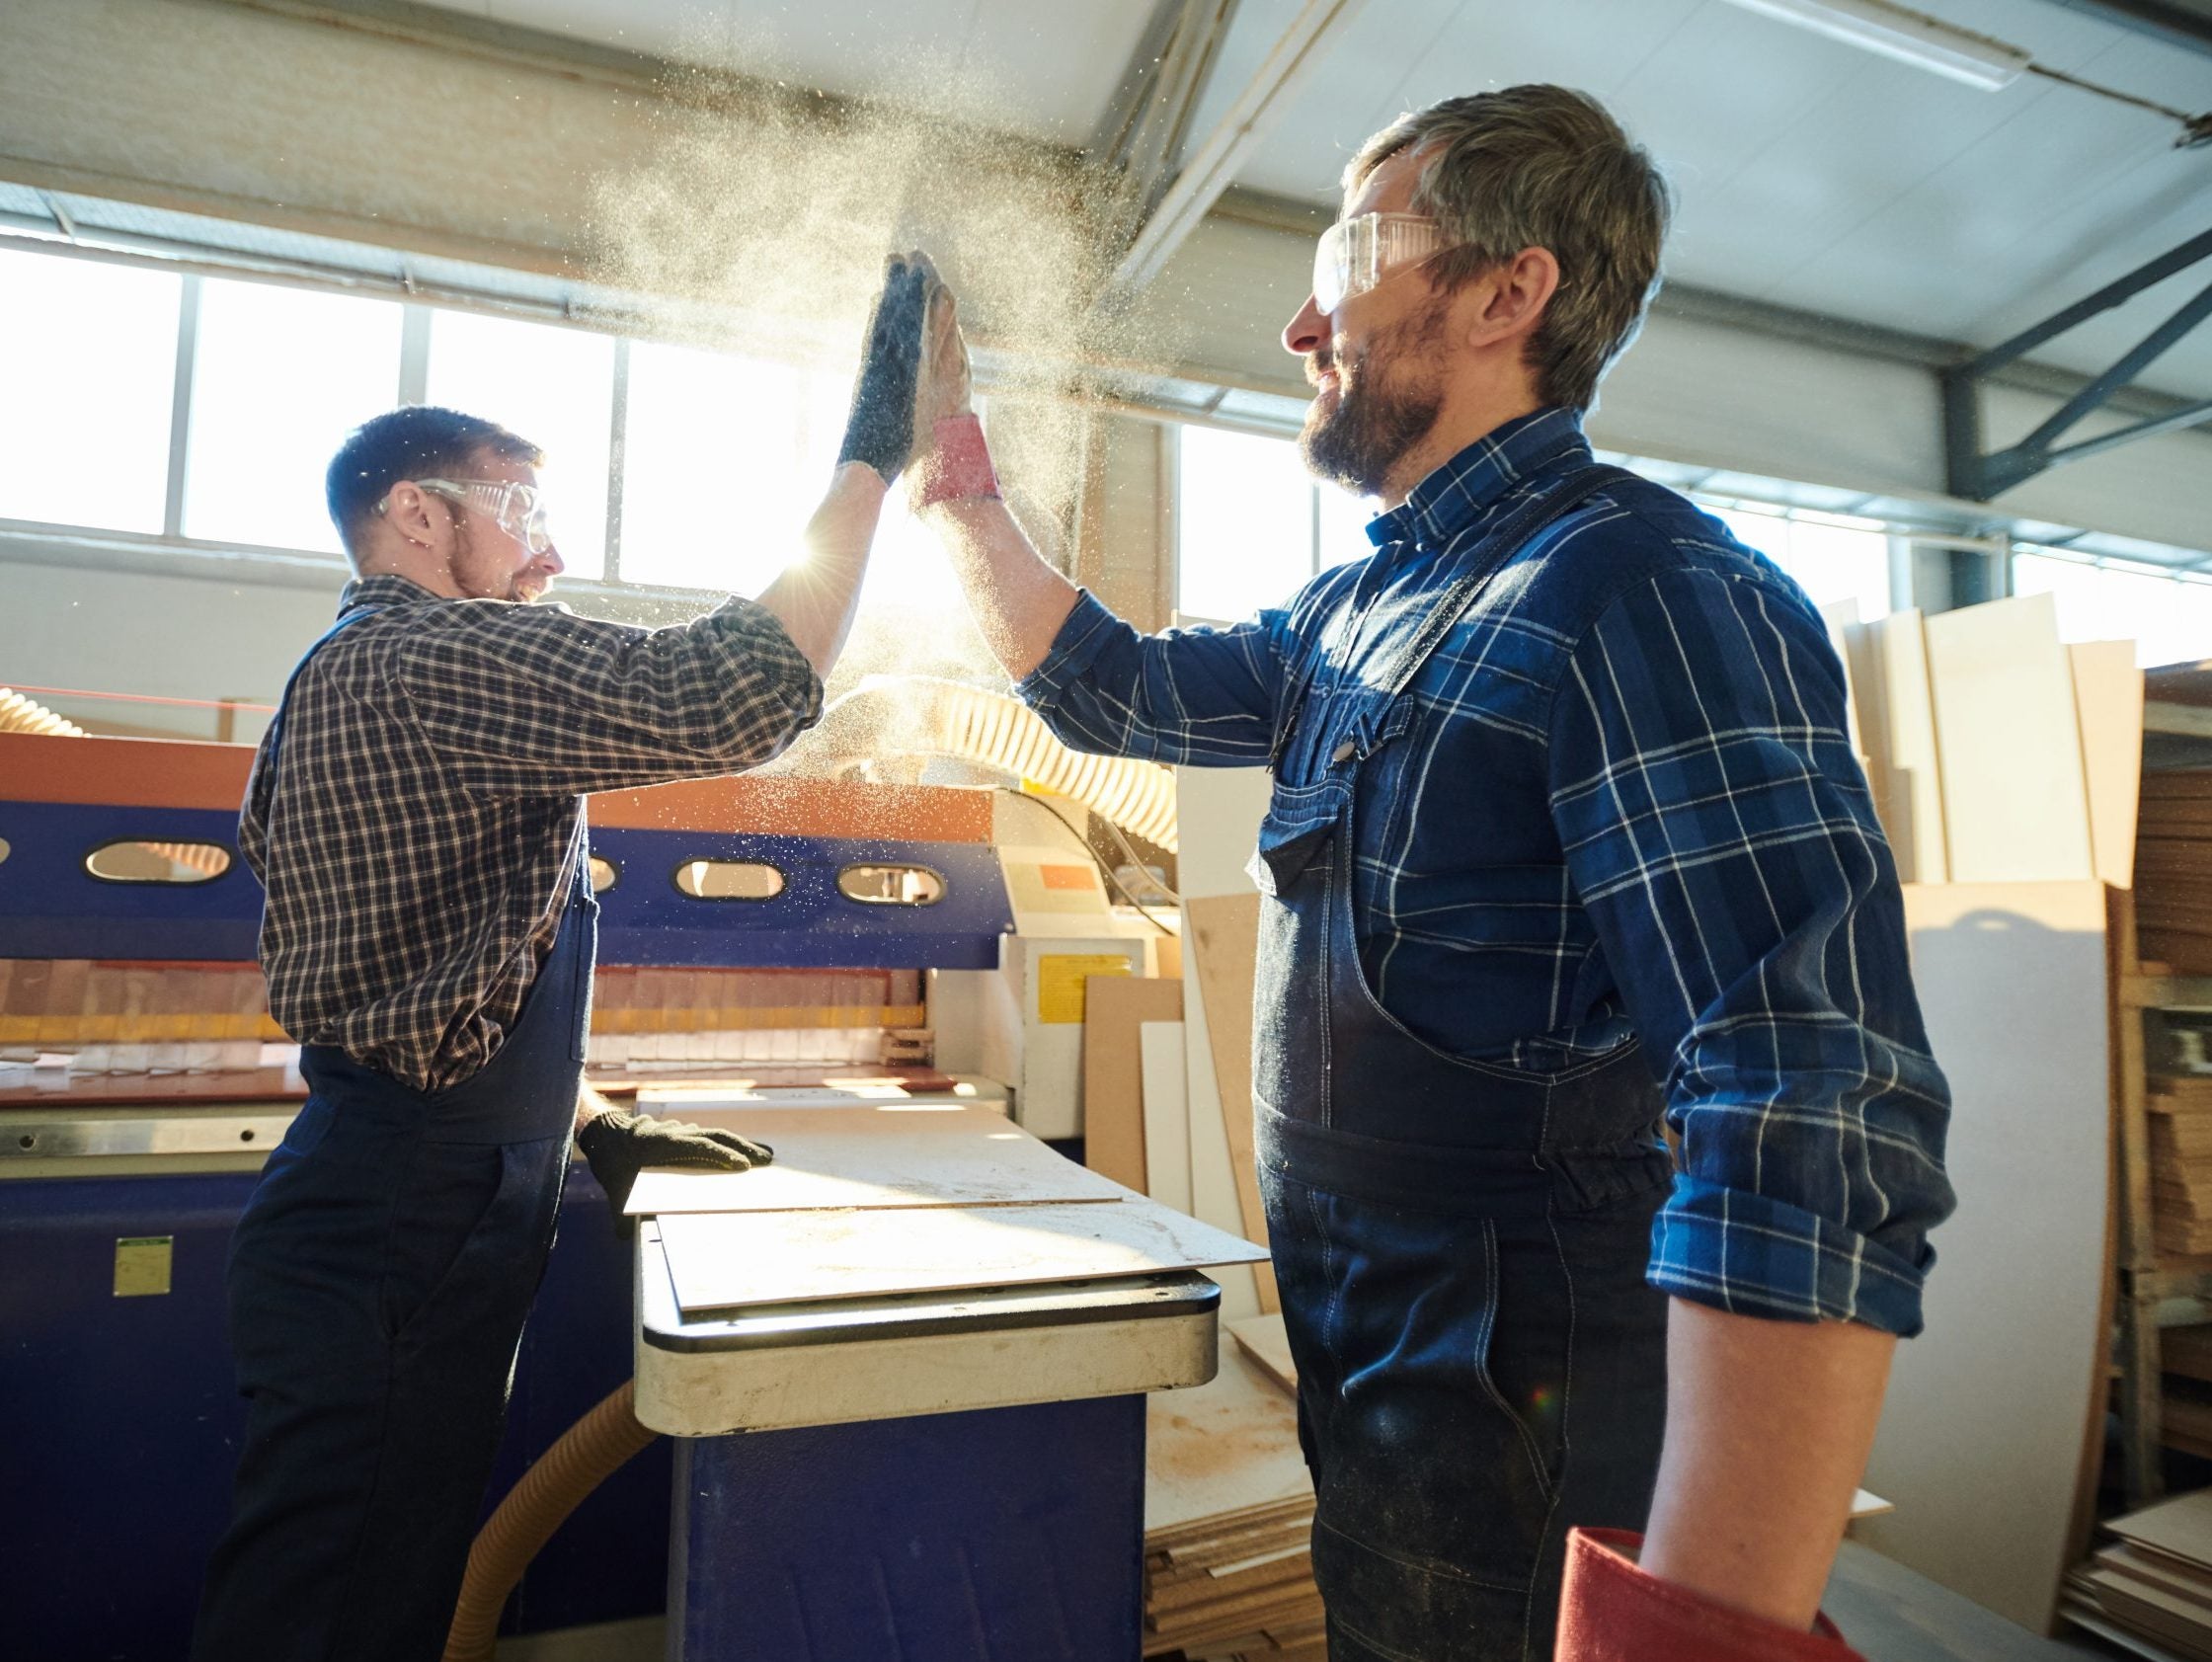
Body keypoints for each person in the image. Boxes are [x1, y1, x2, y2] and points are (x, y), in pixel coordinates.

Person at [908, 90, 1954, 1660]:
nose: (1300, 320)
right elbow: (1115, 685)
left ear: (1502, 293)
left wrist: (1703, 1626)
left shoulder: (1645, 593)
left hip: (1528, 1399)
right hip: (1382, 1361)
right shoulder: (1361, 609)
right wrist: (964, 492)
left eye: (1346, 257)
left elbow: (1807, 1098)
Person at [192, 256, 939, 1662]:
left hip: (401, 1200)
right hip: (403, 1218)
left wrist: (592, 1125)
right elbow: (733, 689)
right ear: (418, 516)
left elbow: (425, 980)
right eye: (522, 511)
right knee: (334, 1608)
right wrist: (867, 463)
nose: (548, 554)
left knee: (371, 1587)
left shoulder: (355, 682)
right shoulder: (426, 658)